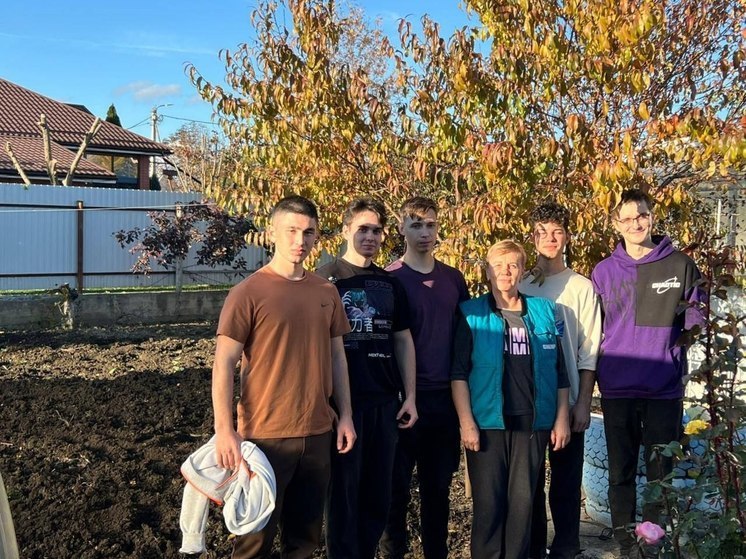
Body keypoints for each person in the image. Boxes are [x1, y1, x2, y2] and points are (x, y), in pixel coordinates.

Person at [212, 195, 356, 559]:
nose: (300, 241)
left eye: (308, 232)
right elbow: (224, 364)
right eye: (291, 231)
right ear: (272, 232)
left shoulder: (326, 291)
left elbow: (338, 357)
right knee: (254, 539)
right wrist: (224, 429)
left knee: (304, 540)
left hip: (318, 433)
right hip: (264, 437)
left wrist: (347, 417)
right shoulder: (248, 293)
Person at [591, 189, 704, 558]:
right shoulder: (604, 272)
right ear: (616, 224)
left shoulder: (680, 265)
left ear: (652, 216)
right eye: (627, 218)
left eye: (642, 215)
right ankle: (626, 543)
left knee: (661, 473)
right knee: (620, 472)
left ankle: (652, 542)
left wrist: (669, 352)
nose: (636, 223)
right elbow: (596, 329)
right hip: (617, 388)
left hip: (663, 389)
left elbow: (696, 322)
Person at [452, 240, 571, 559]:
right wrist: (466, 424)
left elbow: (559, 372)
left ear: (522, 271)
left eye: (513, 264)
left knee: (522, 506)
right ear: (487, 272)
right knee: (489, 507)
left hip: (533, 425)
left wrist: (561, 418)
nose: (505, 271)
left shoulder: (545, 311)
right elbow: (459, 374)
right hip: (487, 425)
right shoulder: (470, 313)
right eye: (498, 264)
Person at [317, 198, 418, 559]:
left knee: (379, 493)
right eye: (363, 229)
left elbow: (403, 339)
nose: (370, 236)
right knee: (344, 496)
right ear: (346, 230)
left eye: (376, 230)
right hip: (342, 405)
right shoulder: (325, 279)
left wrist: (410, 396)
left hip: (385, 402)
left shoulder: (390, 284)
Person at [380, 196, 469, 559]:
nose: (424, 232)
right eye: (416, 224)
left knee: (438, 491)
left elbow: (464, 340)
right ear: (401, 228)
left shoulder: (453, 280)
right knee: (394, 491)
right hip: (402, 402)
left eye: (430, 225)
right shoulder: (388, 279)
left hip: (444, 401)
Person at [521, 203, 602, 559]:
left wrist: (583, 401)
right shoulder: (520, 282)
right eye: (541, 232)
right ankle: (535, 545)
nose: (549, 239)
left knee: (566, 481)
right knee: (531, 482)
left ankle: (567, 545)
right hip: (529, 400)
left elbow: (589, 349)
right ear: (533, 237)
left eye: (556, 231)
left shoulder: (581, 286)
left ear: (567, 235)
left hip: (568, 403)